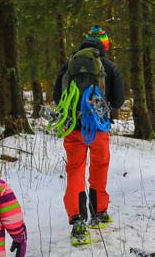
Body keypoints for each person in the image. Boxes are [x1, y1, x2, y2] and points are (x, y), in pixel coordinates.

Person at [51, 25, 125, 245]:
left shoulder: (69, 65)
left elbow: (58, 97)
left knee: (75, 170)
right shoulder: (110, 67)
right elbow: (119, 101)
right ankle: (99, 213)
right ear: (104, 45)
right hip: (98, 128)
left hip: (73, 127)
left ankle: (77, 220)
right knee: (99, 167)